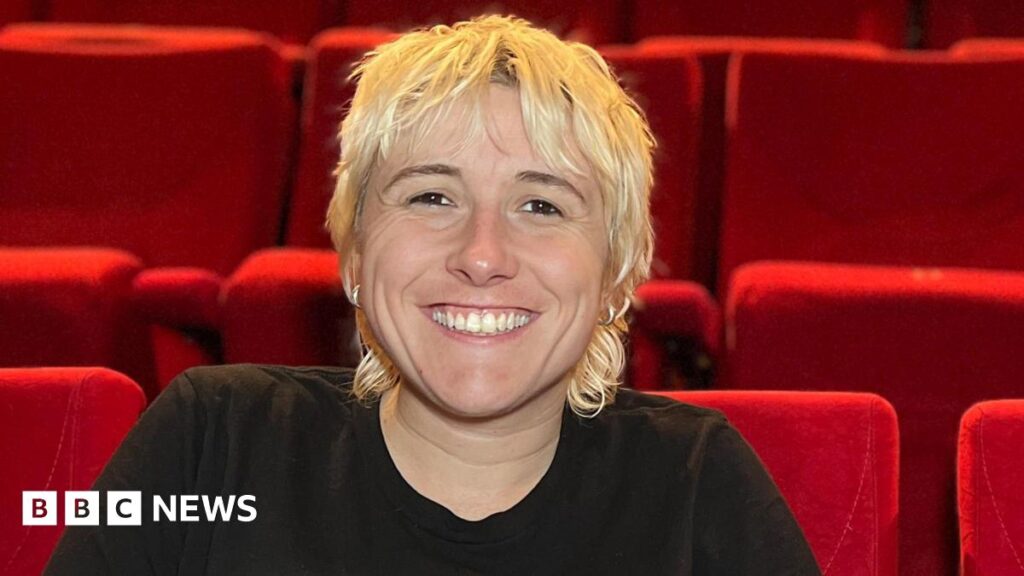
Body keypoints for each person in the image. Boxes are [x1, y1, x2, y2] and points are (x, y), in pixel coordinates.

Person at [46, 15, 820, 575]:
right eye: (430, 198)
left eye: (542, 205)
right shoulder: (205, 442)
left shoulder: (701, 485)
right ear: (351, 251)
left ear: (619, 273)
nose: (482, 255)